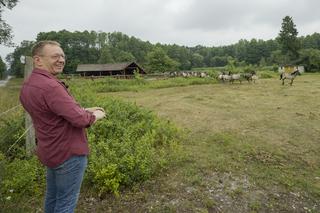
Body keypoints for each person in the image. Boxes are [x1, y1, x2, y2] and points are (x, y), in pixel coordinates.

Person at [19, 40, 106, 213]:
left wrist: (83, 110)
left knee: (52, 197)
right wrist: (96, 115)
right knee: (65, 203)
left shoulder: (29, 86)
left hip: (50, 150)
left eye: (62, 56)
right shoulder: (51, 86)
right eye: (55, 56)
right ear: (38, 60)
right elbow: (80, 120)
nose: (61, 60)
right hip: (68, 154)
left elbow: (53, 112)